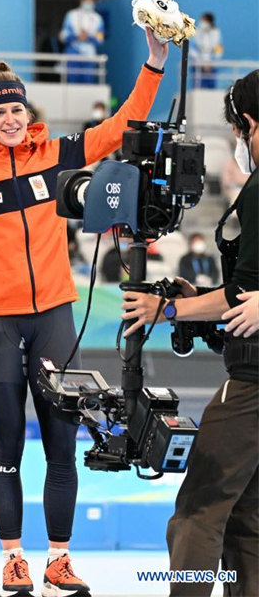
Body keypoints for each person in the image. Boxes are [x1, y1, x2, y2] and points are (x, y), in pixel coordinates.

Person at [0, 26, 167, 597]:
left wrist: (152, 63)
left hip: (55, 313)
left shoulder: (57, 156)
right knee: (6, 445)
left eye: (16, 108)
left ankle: (57, 560)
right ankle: (11, 560)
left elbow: (120, 126)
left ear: (28, 111)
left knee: (60, 443)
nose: (9, 119)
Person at [121, 69, 258, 597]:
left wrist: (169, 310)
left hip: (252, 381)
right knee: (248, 519)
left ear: (247, 122)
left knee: (198, 513)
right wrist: (194, 301)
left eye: (237, 132)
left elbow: (242, 294)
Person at [59, 0, 105, 84]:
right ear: (81, 1)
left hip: (89, 54)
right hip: (73, 51)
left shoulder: (97, 18)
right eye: (87, 1)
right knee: (72, 80)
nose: (89, 3)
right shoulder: (71, 15)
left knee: (87, 81)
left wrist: (89, 37)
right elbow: (63, 35)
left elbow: (100, 38)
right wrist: (76, 36)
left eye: (91, 1)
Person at [190, 12, 223, 90]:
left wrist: (210, 63)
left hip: (211, 66)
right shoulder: (195, 32)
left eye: (204, 19)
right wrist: (201, 62)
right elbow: (191, 49)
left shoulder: (216, 32)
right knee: (197, 87)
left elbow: (218, 49)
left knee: (211, 88)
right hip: (198, 65)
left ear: (209, 21)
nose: (202, 21)